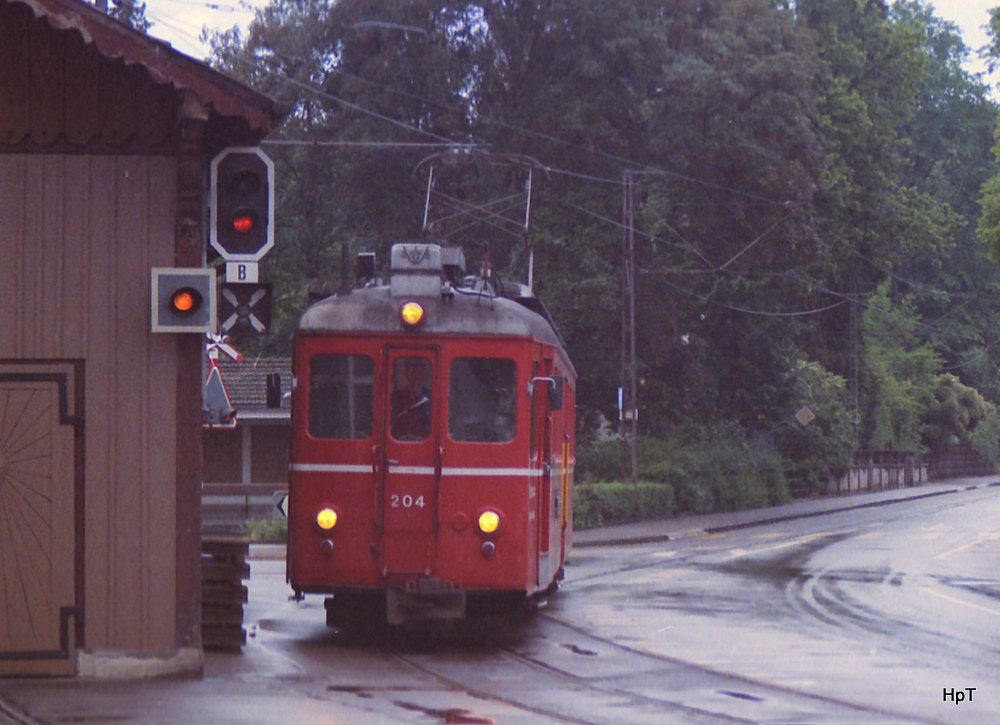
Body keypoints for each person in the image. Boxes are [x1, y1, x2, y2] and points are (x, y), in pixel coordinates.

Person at [391, 358, 431, 440]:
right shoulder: (395, 397)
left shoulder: (432, 397)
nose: (415, 376)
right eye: (411, 372)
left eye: (419, 372)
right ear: (407, 375)